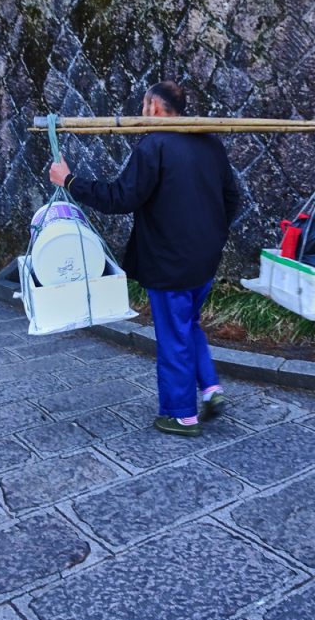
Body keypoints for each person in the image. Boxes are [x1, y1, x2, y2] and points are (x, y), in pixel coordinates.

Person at [49, 81, 240, 437]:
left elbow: (121, 197)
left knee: (172, 335)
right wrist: (212, 235)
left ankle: (181, 413)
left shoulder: (155, 144)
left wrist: (70, 181)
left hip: (170, 261)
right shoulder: (211, 142)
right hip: (205, 259)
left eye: (142, 106)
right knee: (188, 324)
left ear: (153, 107)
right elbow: (233, 198)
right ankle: (211, 388)